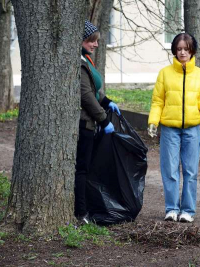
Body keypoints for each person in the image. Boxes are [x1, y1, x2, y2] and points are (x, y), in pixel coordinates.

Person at [148, 33, 200, 223]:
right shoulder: (164, 73)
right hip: (169, 129)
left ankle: (188, 211)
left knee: (190, 171)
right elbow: (158, 100)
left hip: (192, 129)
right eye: (179, 49)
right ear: (174, 50)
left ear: (192, 51)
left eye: (186, 48)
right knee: (170, 170)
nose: (182, 52)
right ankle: (172, 209)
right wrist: (153, 121)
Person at [75, 20, 121, 224]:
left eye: (96, 41)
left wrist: (107, 102)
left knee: (86, 168)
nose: (95, 45)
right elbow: (85, 95)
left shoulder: (87, 60)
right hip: (85, 124)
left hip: (90, 123)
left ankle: (85, 208)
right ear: (81, 40)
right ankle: (81, 212)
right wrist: (103, 120)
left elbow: (94, 91)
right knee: (82, 169)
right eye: (91, 41)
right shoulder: (79, 62)